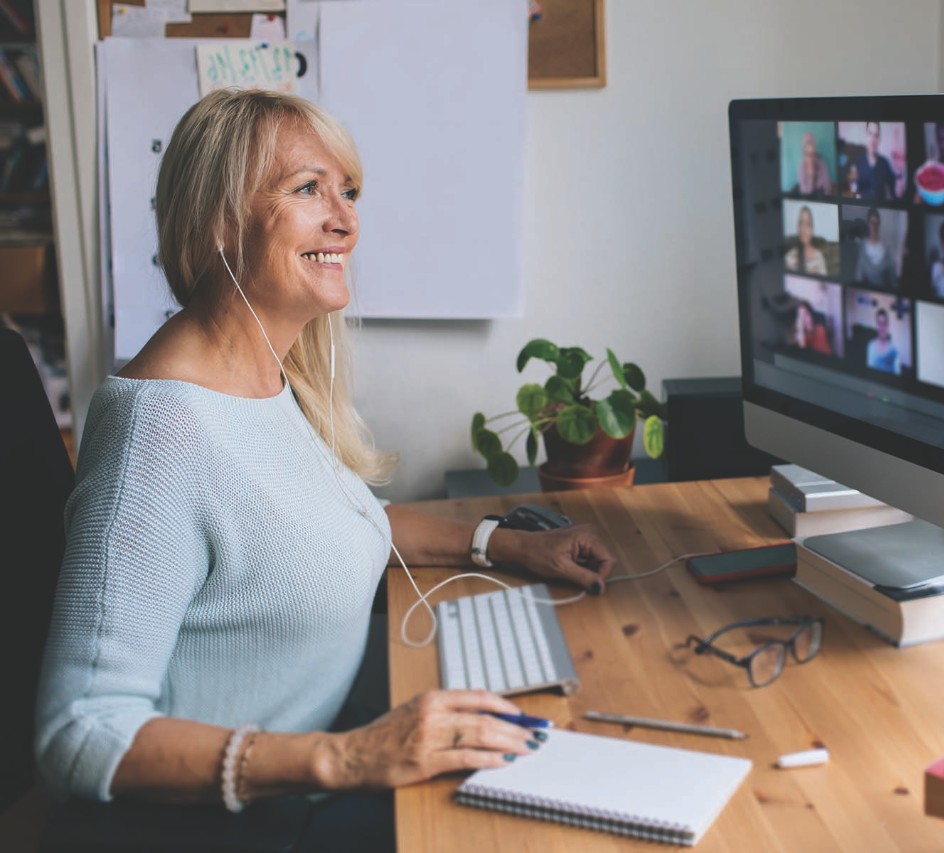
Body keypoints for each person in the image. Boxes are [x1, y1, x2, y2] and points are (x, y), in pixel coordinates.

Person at [34, 89, 617, 848]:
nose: (346, 219)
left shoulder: (270, 377)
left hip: (310, 764)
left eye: (348, 191)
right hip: (223, 819)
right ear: (219, 220)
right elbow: (77, 731)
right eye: (309, 189)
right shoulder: (159, 432)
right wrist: (343, 758)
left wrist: (505, 542)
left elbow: (323, 526)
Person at [854, 122, 898, 202]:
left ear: (879, 139)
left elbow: (893, 194)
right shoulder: (859, 162)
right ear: (866, 135)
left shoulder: (885, 163)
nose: (872, 139)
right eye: (870, 133)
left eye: (876, 135)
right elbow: (856, 189)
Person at [854, 208, 896, 289]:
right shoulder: (862, 247)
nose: (874, 226)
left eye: (877, 223)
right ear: (868, 224)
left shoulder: (887, 248)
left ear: (879, 224)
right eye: (872, 222)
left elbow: (893, 281)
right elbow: (858, 278)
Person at [784, 205, 828, 276]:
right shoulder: (789, 257)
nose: (803, 229)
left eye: (807, 224)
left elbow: (825, 284)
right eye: (800, 223)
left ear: (812, 230)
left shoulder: (819, 257)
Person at [794, 130, 833, 196]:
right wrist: (810, 176)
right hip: (808, 194)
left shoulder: (821, 163)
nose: (810, 157)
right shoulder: (801, 166)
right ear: (804, 153)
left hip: (820, 194)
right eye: (807, 154)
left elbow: (827, 186)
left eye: (813, 153)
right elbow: (806, 194)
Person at [865, 309, 899, 374]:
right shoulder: (870, 346)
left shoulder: (894, 351)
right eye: (879, 323)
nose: (882, 327)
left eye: (884, 324)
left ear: (888, 326)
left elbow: (897, 376)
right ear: (876, 326)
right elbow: (869, 371)